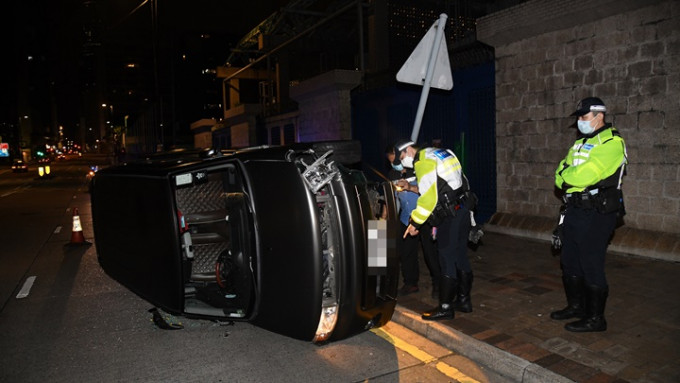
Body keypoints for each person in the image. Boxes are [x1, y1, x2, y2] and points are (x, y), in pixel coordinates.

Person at [552, 97, 627, 332]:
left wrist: (568, 175)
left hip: (597, 212)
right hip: (574, 209)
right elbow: (559, 172)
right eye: (579, 118)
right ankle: (576, 307)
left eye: (583, 117)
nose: (580, 122)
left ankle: (596, 319)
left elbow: (583, 176)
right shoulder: (580, 143)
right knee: (569, 260)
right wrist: (567, 175)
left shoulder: (612, 143)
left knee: (590, 263)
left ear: (598, 116)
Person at [394, 140, 473, 320]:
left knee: (445, 257)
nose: (403, 163)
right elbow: (453, 182)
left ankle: (445, 307)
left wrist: (415, 223)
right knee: (460, 254)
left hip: (450, 215)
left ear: (408, 150)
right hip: (462, 209)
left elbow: (429, 198)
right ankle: (464, 301)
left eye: (402, 158)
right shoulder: (442, 152)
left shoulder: (423, 162)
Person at [385, 145, 441, 297]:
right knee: (406, 253)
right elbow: (392, 199)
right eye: (391, 162)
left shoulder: (418, 169)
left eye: (397, 160)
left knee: (431, 252)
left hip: (424, 216)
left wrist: (409, 187)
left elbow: (428, 190)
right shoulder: (392, 174)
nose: (395, 164)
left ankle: (438, 284)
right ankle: (410, 283)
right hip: (406, 218)